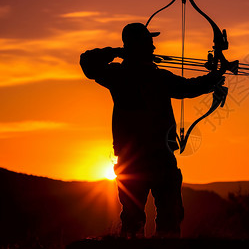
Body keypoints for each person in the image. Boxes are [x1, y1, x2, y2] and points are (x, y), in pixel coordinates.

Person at [80, 23, 225, 238]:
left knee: (135, 219)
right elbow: (189, 87)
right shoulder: (153, 77)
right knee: (166, 217)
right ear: (138, 45)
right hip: (159, 158)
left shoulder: (118, 75)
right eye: (149, 42)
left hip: (133, 161)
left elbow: (89, 62)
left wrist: (118, 52)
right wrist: (215, 76)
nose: (154, 47)